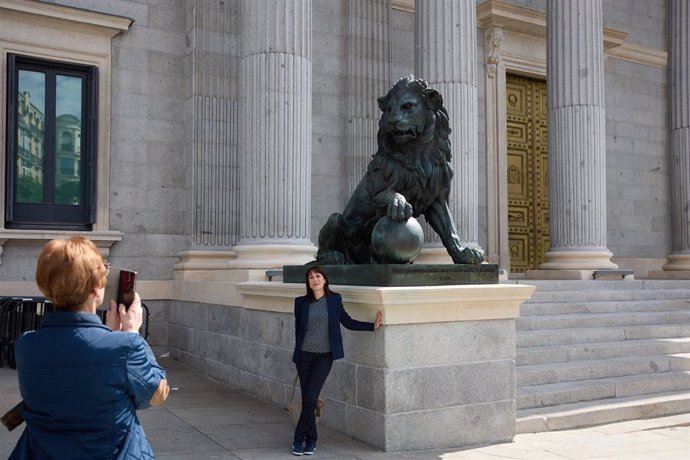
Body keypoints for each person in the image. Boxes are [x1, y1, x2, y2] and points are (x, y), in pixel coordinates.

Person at [9, 236, 170, 459]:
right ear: (97, 288)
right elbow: (156, 395)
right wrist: (131, 335)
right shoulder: (125, 346)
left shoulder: (26, 345)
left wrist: (114, 337)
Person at [291, 265, 383, 456]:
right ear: (307, 283)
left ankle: (298, 438)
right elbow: (298, 331)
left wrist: (371, 326)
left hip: (324, 357)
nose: (314, 280)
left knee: (309, 399)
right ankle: (311, 440)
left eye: (318, 276)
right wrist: (298, 355)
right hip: (304, 357)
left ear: (324, 280)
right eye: (310, 278)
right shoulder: (300, 303)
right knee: (308, 400)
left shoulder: (334, 300)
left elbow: (347, 322)